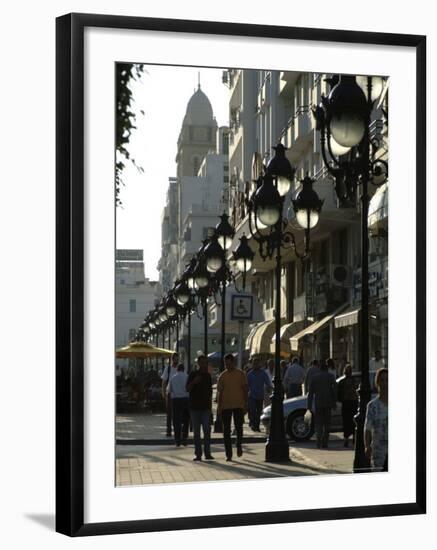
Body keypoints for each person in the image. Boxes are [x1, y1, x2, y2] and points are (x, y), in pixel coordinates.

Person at [217, 353, 248, 461]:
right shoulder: (222, 376)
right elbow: (220, 394)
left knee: (239, 428)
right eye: (226, 364)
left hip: (238, 405)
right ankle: (228, 454)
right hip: (226, 406)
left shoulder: (240, 374)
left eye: (229, 364)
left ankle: (238, 444)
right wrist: (219, 408)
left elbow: (245, 389)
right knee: (226, 431)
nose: (227, 366)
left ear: (233, 362)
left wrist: (246, 404)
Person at [186, 354, 213, 461]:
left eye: (205, 363)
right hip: (194, 408)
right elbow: (187, 389)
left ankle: (207, 453)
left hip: (205, 408)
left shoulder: (208, 376)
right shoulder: (193, 374)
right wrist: (194, 382)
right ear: (198, 364)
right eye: (201, 363)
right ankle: (198, 454)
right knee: (196, 433)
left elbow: (210, 394)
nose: (203, 365)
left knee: (207, 430)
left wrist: (211, 410)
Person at [307, 359, 337, 448]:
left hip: (318, 403)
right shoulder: (331, 376)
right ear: (327, 368)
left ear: (320, 368)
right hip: (328, 402)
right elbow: (335, 390)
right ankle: (325, 442)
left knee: (319, 423)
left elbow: (310, 393)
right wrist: (334, 401)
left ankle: (318, 441)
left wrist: (309, 406)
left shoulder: (315, 378)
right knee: (327, 423)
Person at [364, 368, 388, 471]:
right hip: (379, 452)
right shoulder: (372, 406)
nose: (384, 383)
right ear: (377, 383)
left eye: (387, 380)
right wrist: (367, 446)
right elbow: (367, 428)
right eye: (382, 380)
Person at [247, 357, 272, 431]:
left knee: (259, 412)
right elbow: (246, 385)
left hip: (260, 396)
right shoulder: (249, 374)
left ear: (259, 364)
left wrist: (270, 388)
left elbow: (267, 383)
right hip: (252, 396)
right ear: (252, 364)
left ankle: (256, 426)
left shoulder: (263, 373)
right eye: (254, 363)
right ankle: (253, 424)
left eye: (257, 363)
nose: (255, 365)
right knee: (253, 411)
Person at [168, 363, 190, 447]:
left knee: (176, 420)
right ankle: (184, 437)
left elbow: (170, 390)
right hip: (185, 399)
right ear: (184, 369)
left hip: (176, 400)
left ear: (177, 369)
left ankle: (177, 440)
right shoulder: (187, 377)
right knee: (186, 420)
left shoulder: (173, 378)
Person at [337, 363, 358, 447]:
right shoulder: (355, 381)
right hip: (353, 403)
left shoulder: (342, 382)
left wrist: (342, 399)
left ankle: (346, 439)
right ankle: (354, 439)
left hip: (346, 404)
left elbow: (338, 395)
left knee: (346, 422)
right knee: (353, 422)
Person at [161, 352, 179, 436]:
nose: (176, 360)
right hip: (170, 393)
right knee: (169, 413)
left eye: (177, 358)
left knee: (177, 414)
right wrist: (163, 392)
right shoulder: (168, 368)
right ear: (172, 359)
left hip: (178, 394)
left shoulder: (180, 368)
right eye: (175, 358)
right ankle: (168, 430)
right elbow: (164, 381)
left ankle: (176, 430)